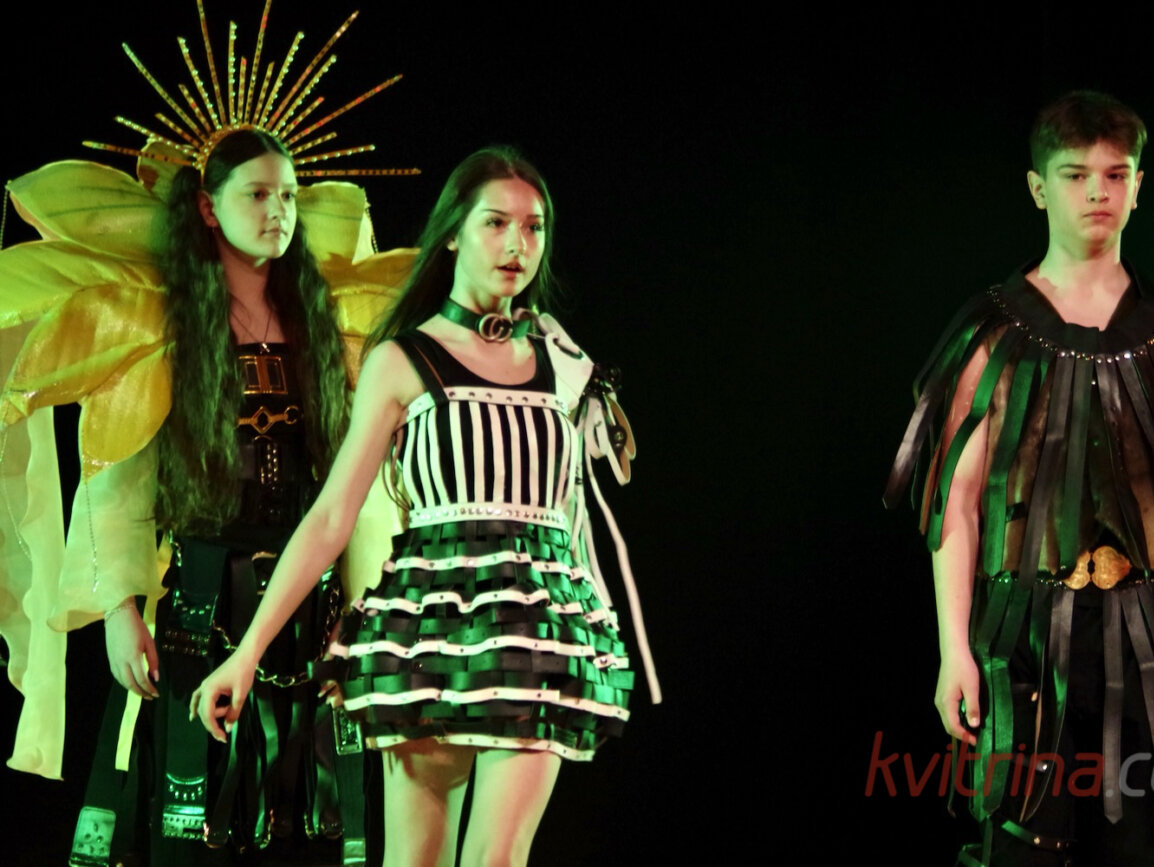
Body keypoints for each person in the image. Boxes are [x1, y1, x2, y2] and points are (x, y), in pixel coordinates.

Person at [0, 6, 416, 862]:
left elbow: (360, 485)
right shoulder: (166, 327)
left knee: (305, 826)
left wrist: (365, 608)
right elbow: (118, 474)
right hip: (197, 608)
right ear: (207, 205)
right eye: (257, 194)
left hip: (310, 613)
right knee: (192, 831)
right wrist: (120, 610)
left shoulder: (328, 330)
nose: (278, 212)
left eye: (289, 196)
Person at [191, 146, 660, 867]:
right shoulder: (402, 360)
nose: (516, 243)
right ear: (452, 234)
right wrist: (247, 652)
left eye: (533, 226)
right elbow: (331, 517)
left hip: (538, 630)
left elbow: (578, 514)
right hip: (429, 626)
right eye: (495, 222)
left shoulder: (566, 365)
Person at [884, 90, 1154, 866]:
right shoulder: (992, 334)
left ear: (1139, 186)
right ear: (1039, 188)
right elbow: (955, 504)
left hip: (1152, 642)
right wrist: (953, 649)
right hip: (1024, 642)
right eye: (1076, 174)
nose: (1097, 191)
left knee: (1150, 848)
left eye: (1115, 173)